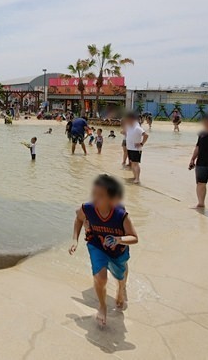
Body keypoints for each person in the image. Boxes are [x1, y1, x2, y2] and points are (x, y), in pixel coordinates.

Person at [69, 174, 138, 328]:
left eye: (101, 195)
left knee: (120, 274)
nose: (95, 198)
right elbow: (79, 218)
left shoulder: (121, 215)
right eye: (94, 194)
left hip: (118, 249)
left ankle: (121, 288)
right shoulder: (87, 208)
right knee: (100, 277)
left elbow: (134, 237)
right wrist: (75, 239)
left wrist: (118, 239)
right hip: (96, 244)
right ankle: (102, 306)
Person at [125, 112, 148, 184]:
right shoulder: (129, 126)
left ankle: (137, 179)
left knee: (135, 164)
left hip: (136, 149)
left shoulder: (137, 128)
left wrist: (141, 143)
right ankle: (134, 177)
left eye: (127, 119)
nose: (126, 120)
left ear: (131, 119)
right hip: (130, 148)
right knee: (132, 163)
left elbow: (146, 135)